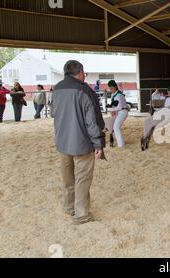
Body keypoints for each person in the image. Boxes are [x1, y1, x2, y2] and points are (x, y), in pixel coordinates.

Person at [52, 60, 106, 225]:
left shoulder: (57, 89)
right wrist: (98, 143)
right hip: (82, 143)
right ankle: (81, 214)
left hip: (62, 141)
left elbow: (54, 113)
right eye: (84, 73)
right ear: (80, 72)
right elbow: (93, 122)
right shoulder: (85, 90)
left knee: (67, 177)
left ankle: (69, 207)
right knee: (82, 178)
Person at [107, 80, 129, 148]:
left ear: (115, 87)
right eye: (109, 88)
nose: (110, 90)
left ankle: (121, 145)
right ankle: (116, 141)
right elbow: (114, 105)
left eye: (111, 88)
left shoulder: (118, 95)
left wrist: (111, 109)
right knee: (113, 126)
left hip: (122, 112)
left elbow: (119, 107)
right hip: (118, 112)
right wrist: (111, 109)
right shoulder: (113, 95)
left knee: (116, 127)